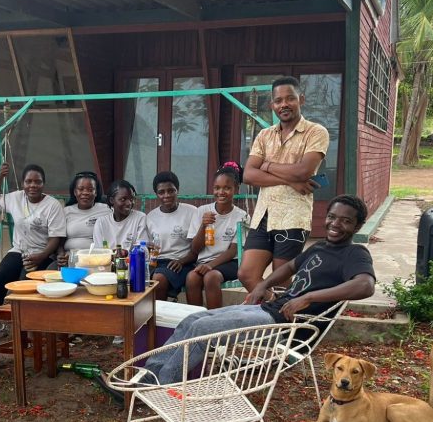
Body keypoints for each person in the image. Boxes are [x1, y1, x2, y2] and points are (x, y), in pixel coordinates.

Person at [139, 195, 374, 386]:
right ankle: (149, 375)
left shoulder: (355, 253)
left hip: (287, 326)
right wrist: (262, 285)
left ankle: (161, 384)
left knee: (202, 329)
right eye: (332, 217)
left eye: (345, 221)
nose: (335, 224)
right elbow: (290, 266)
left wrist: (308, 297)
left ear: (358, 226)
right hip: (271, 309)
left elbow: (365, 285)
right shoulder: (320, 247)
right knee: (193, 318)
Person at [239, 76, 329, 294]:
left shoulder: (316, 132)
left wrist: (266, 165)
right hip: (263, 215)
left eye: (290, 98)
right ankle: (275, 307)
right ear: (272, 105)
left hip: (292, 216)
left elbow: (303, 171)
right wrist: (290, 180)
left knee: (281, 278)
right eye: (278, 100)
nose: (284, 104)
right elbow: (248, 174)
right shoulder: (264, 135)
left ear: (301, 99)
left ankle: (288, 312)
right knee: (247, 274)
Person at [0, 162, 66, 307]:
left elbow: (56, 238)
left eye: (37, 182)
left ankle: (21, 316)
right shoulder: (16, 198)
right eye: (28, 181)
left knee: (25, 281)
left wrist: (41, 256)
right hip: (19, 251)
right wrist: (0, 178)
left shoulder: (52, 205)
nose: (33, 185)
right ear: (23, 183)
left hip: (43, 253)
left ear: (43, 184)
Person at [185, 163, 249, 309]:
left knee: (211, 277)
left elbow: (233, 251)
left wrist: (210, 265)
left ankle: (214, 318)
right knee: (191, 278)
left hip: (230, 262)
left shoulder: (242, 216)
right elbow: (195, 249)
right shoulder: (202, 211)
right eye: (217, 188)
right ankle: (196, 318)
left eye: (227, 188)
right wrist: (203, 226)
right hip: (204, 261)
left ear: (236, 189)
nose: (221, 192)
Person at [146, 171, 198, 301]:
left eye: (171, 191)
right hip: (158, 263)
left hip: (184, 262)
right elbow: (150, 247)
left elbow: (197, 246)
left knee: (159, 279)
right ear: (156, 194)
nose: (166, 195)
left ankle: (160, 312)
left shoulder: (191, 212)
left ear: (177, 190)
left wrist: (182, 261)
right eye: (161, 192)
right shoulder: (151, 217)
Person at [56, 171, 111, 266]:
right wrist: (61, 255)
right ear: (75, 192)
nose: (85, 193)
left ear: (96, 192)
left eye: (90, 189)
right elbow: (59, 242)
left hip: (96, 260)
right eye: (81, 189)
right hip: (70, 259)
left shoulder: (106, 210)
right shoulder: (66, 211)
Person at [92, 179, 148, 251]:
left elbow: (142, 248)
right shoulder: (101, 222)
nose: (129, 203)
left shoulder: (140, 218)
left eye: (131, 199)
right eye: (123, 199)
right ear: (112, 200)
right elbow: (99, 252)